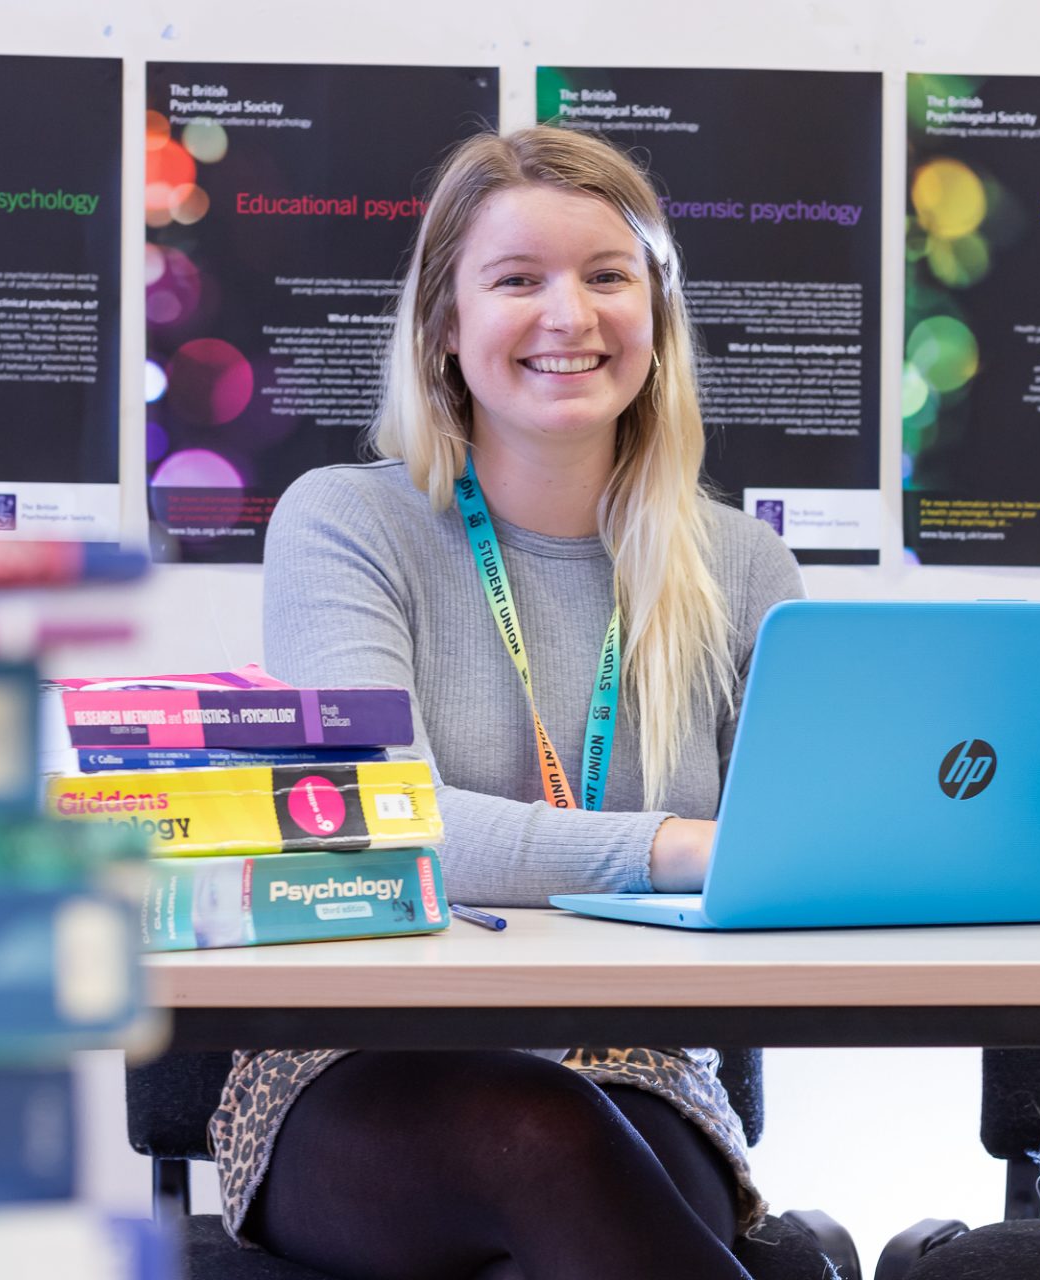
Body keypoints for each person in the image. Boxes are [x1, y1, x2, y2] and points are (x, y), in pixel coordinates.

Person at [212, 125, 804, 1280]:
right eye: (518, 279)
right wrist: (680, 845)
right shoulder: (346, 523)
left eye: (607, 275)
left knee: (584, 1179)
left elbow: (797, 853)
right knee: (547, 1138)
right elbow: (390, 821)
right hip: (361, 1064)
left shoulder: (741, 567)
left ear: (657, 312)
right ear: (445, 323)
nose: (569, 316)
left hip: (635, 1063)